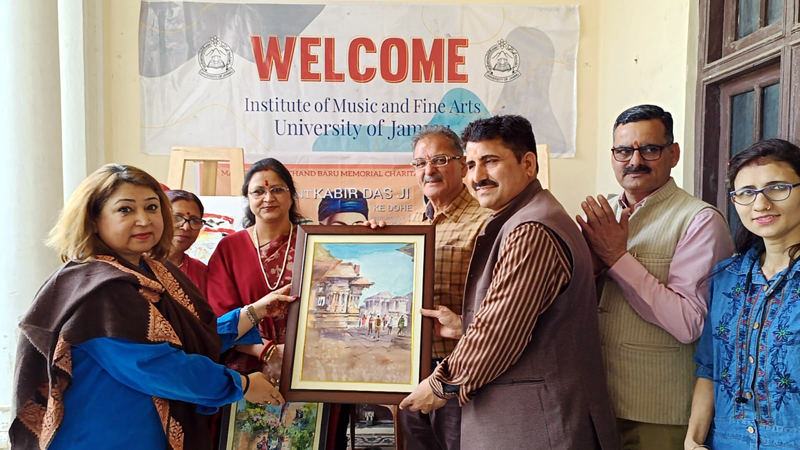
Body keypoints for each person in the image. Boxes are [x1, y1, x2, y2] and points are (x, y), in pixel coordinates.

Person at [10, 164, 288, 450]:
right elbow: (157, 365)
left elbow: (187, 335)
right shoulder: (97, 286)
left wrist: (253, 312)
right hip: (106, 435)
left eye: (152, 207)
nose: (144, 220)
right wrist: (240, 385)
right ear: (93, 219)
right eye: (125, 210)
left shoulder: (155, 270)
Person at [400, 115, 619, 449]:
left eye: (490, 161)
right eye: (471, 165)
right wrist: (463, 326)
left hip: (537, 425)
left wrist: (440, 386)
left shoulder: (531, 230)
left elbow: (498, 332)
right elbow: (526, 318)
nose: (478, 176)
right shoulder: (522, 217)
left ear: (528, 163)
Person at [577, 104, 733, 449]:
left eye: (649, 149)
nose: (635, 161)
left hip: (658, 411)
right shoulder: (605, 212)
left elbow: (689, 322)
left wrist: (617, 258)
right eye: (623, 151)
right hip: (596, 399)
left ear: (673, 153)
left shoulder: (699, 220)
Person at [685, 139, 800, 450]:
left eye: (777, 188)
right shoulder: (725, 277)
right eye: (747, 193)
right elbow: (709, 369)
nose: (760, 204)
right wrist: (692, 440)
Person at [398, 124, 491, 450]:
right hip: (413, 366)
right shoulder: (411, 224)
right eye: (420, 163)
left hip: (462, 367)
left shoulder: (486, 221)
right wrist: (377, 239)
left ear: (463, 163)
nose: (429, 170)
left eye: (439, 159)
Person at [207, 158, 302, 378]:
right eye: (258, 191)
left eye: (277, 189)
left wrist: (373, 234)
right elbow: (220, 318)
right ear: (248, 199)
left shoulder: (315, 243)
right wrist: (267, 351)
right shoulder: (229, 248)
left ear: (291, 196)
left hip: (307, 364)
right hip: (249, 367)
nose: (268, 198)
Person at [166, 189, 208, 296]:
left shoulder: (202, 273)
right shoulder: (137, 264)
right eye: (177, 217)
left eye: (194, 220)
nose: (186, 227)